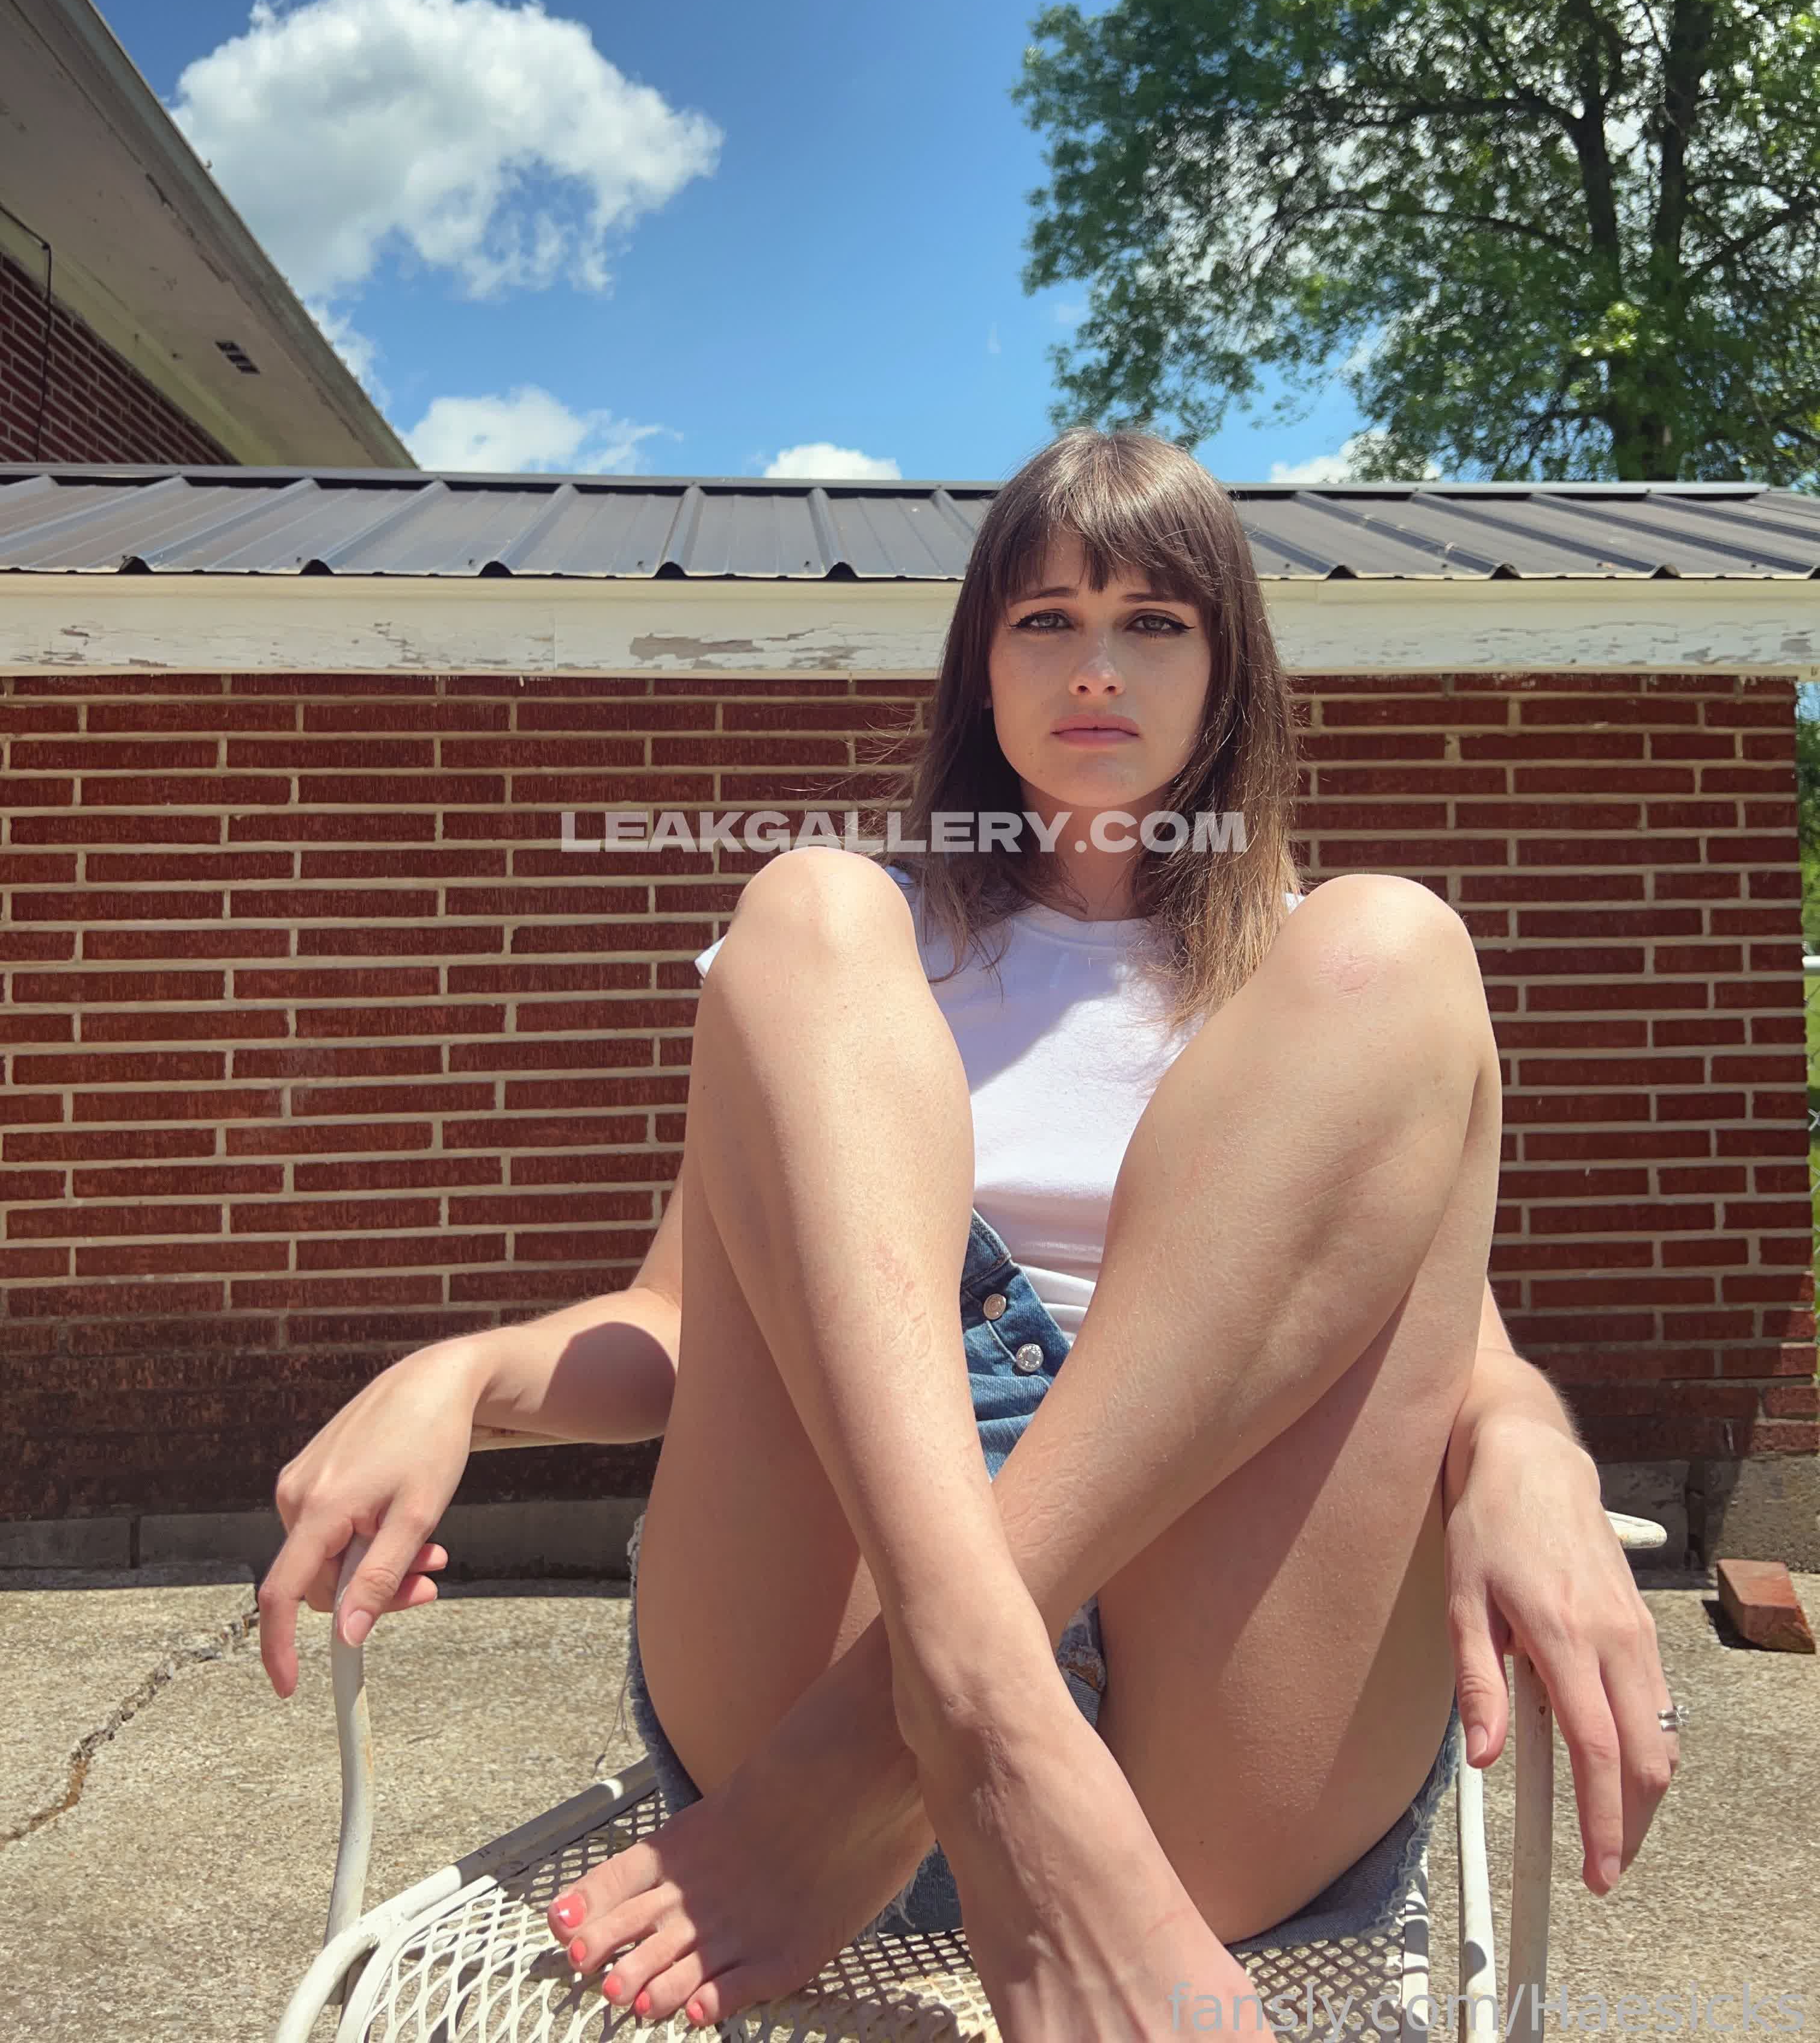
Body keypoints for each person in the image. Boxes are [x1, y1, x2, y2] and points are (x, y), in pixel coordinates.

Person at [259, 430, 1678, 2042]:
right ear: (981, 672)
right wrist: (465, 1373)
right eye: (1045, 620)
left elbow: (1450, 1358)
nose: (1096, 666)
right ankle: (978, 1709)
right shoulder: (860, 961)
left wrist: (1533, 1451)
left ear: (1227, 674)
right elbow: (679, 1328)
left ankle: (902, 1736)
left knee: (1396, 939)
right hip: (840, 1588)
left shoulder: (1319, 978)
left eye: (1154, 623)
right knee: (808, 903)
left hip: (1199, 1726)